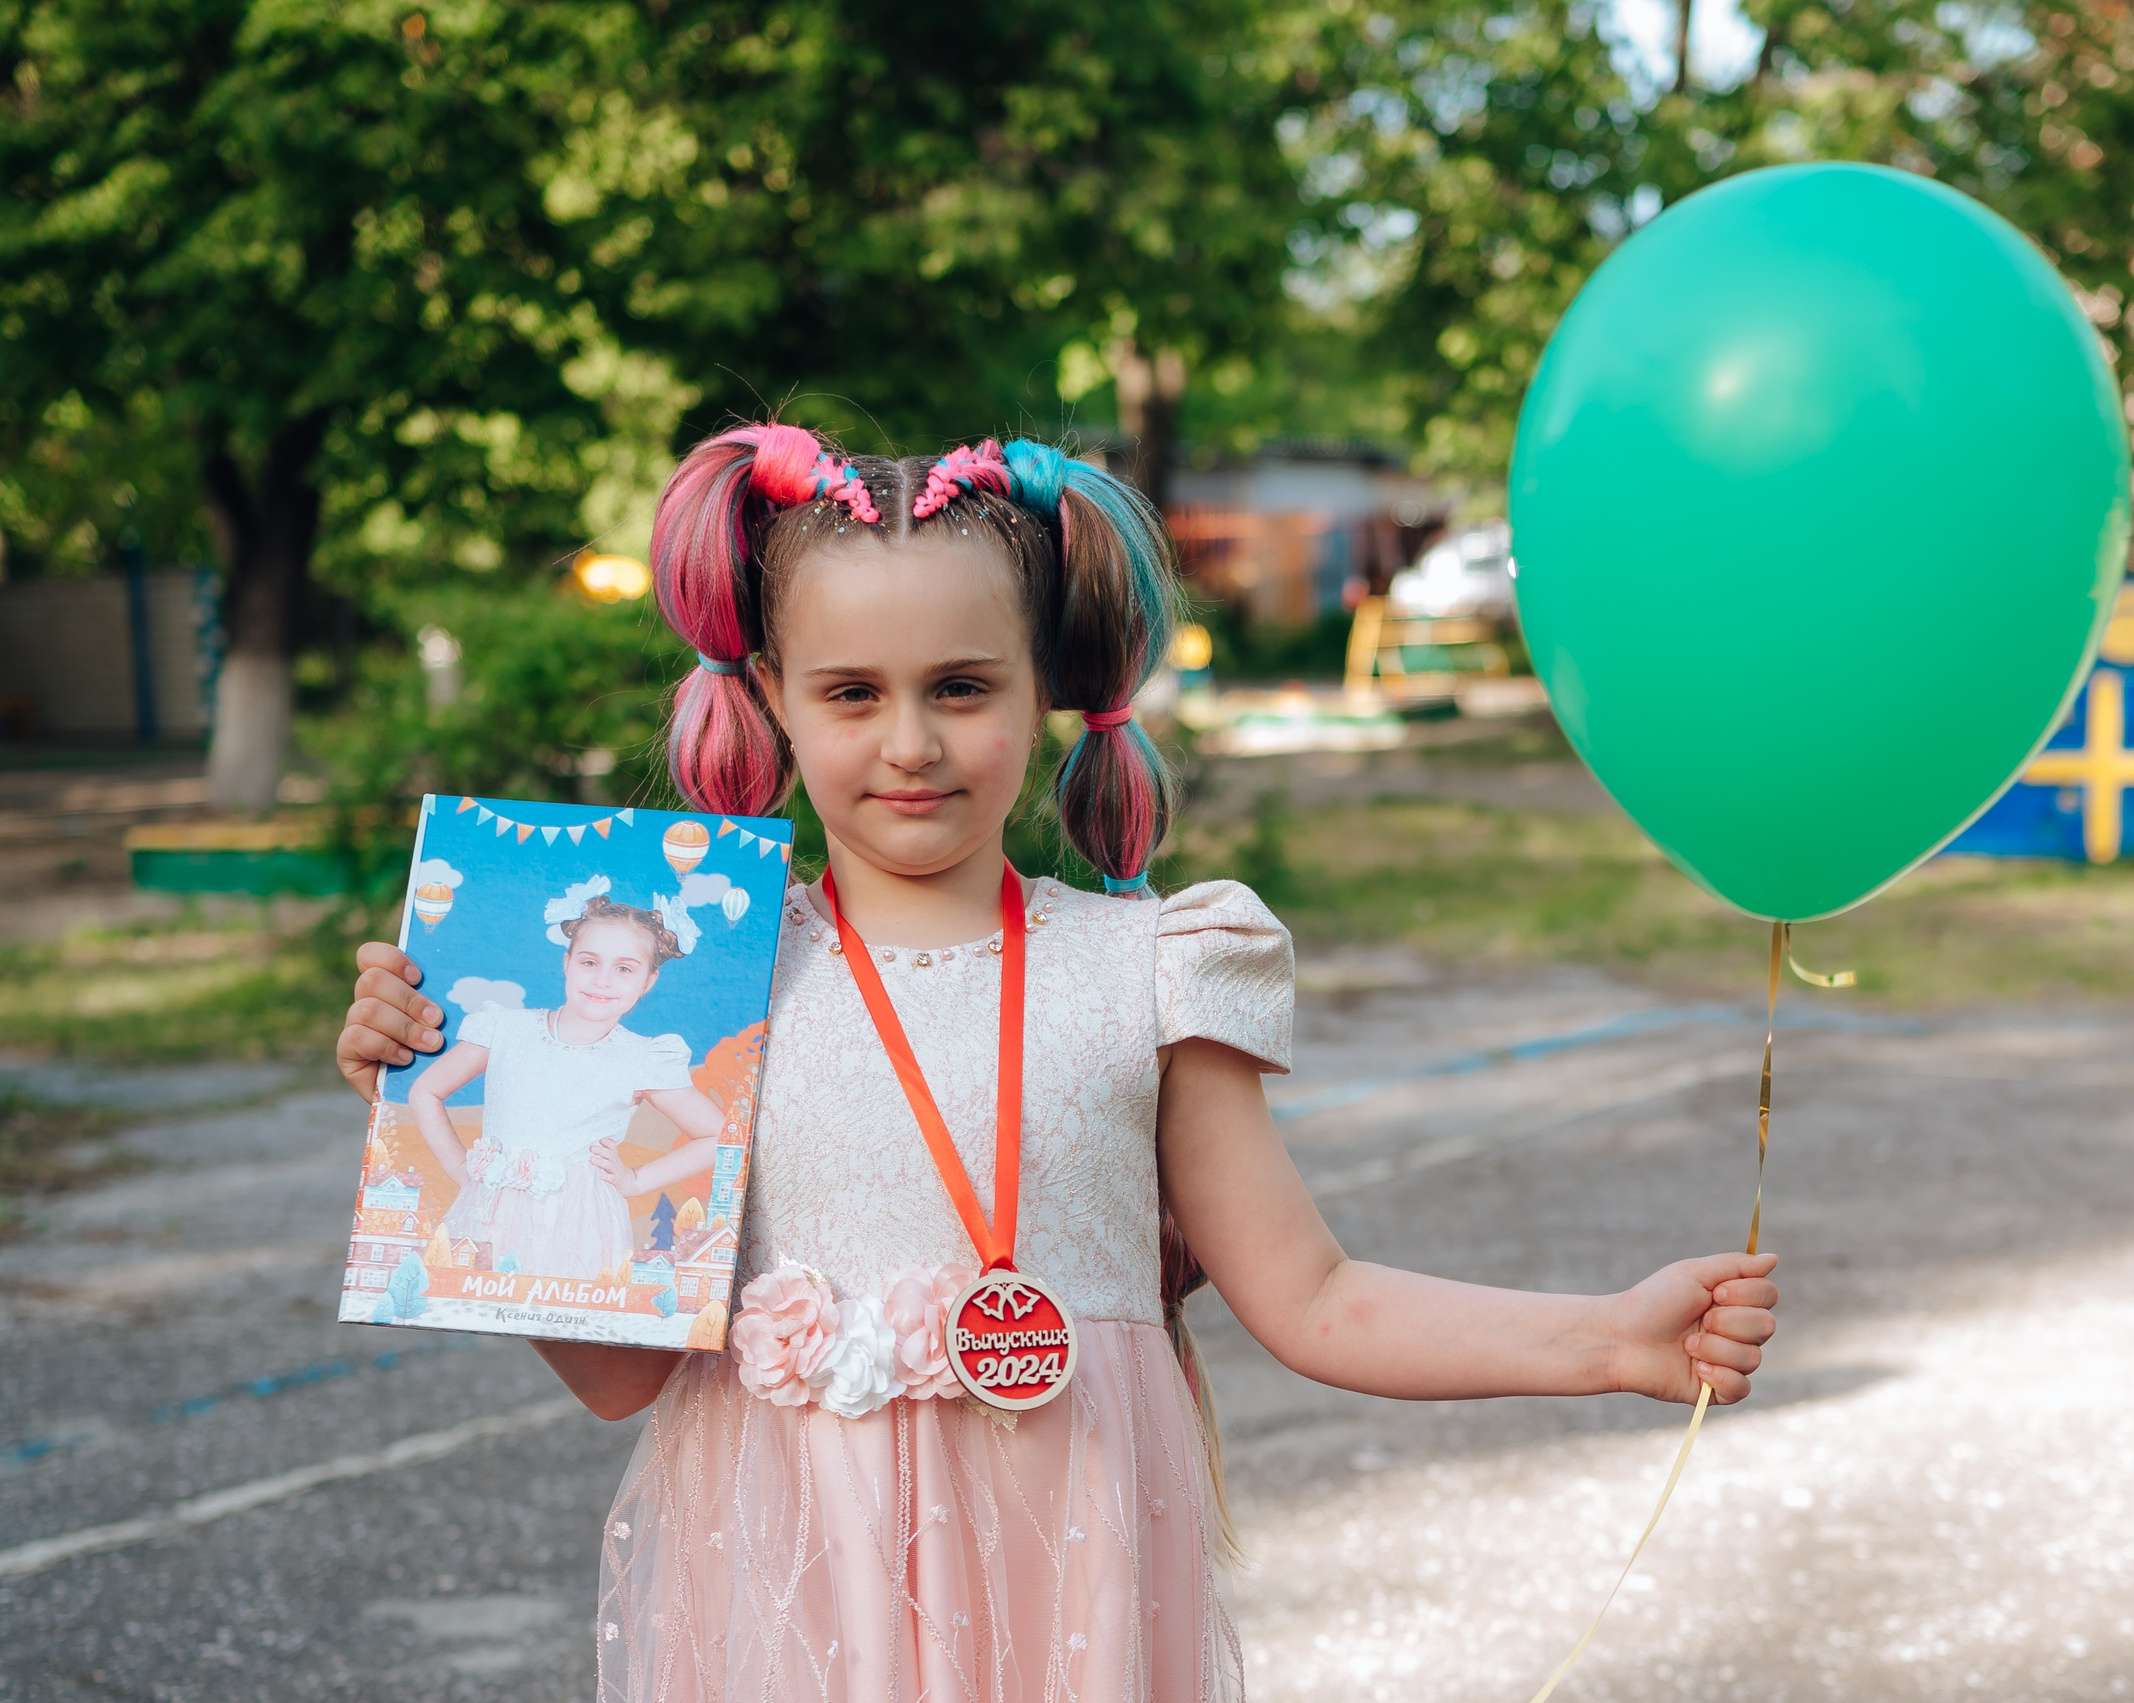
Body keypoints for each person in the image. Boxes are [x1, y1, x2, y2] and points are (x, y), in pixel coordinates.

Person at [334, 425, 1779, 1702]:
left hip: (1070, 1580)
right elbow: (616, 1373)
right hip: (793, 1595)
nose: (910, 742)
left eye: (962, 686)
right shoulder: (700, 986)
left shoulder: (1151, 965)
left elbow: (1317, 1295)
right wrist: (439, 1129)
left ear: (1047, 689)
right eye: (852, 693)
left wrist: (1608, 1338)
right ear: (771, 690)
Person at [405, 886, 726, 1283]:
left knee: (565, 1310)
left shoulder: (642, 1058)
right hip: (491, 1209)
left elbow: (716, 1136)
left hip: (580, 1221)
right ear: (567, 962)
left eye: (624, 969)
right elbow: (425, 1091)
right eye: (589, 962)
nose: (603, 980)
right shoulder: (505, 1029)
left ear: (648, 981)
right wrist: (458, 1167)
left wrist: (635, 1180)